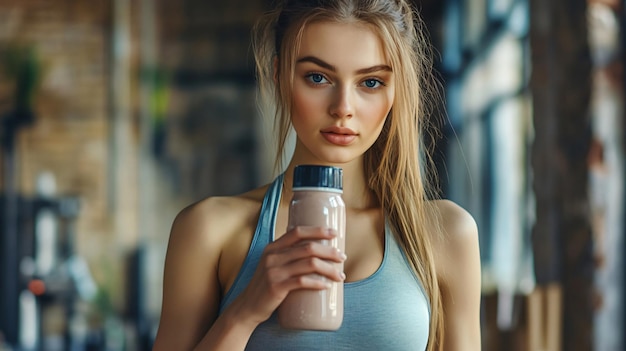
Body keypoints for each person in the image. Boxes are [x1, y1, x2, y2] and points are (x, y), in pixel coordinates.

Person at [153, 0, 481, 350]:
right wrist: (245, 311)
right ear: (279, 75)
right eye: (317, 77)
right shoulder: (209, 230)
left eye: (370, 82)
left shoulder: (445, 234)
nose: (343, 107)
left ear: (396, 90)